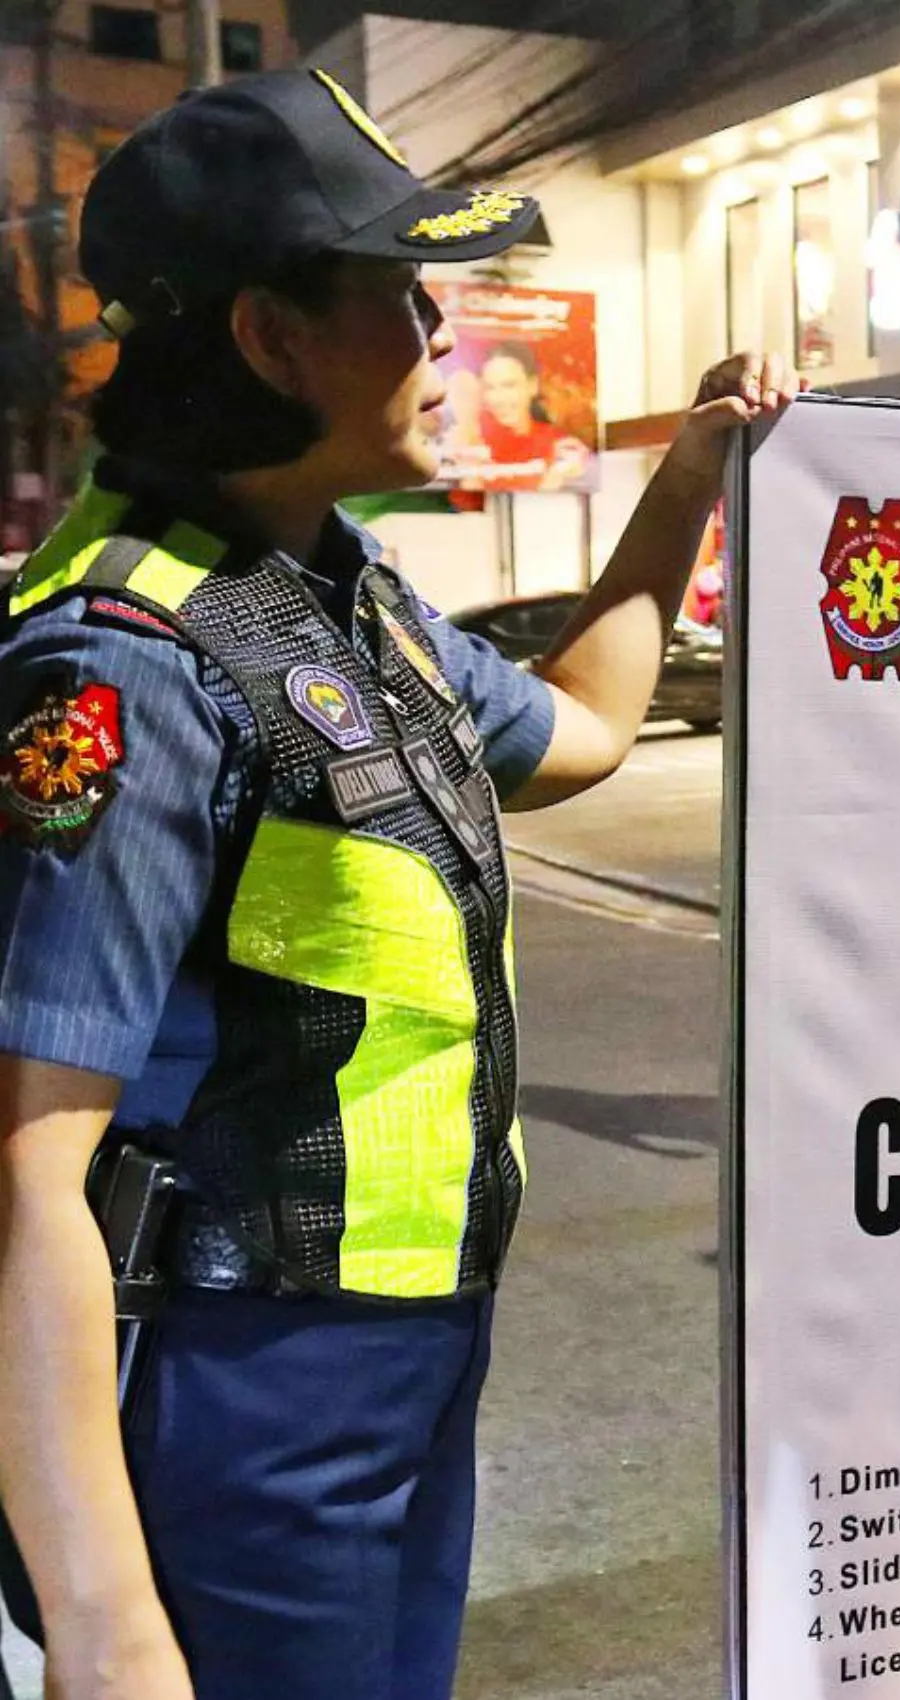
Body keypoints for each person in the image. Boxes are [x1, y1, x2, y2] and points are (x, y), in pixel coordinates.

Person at [0, 69, 797, 1700]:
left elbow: (578, 728)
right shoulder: (126, 658)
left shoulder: (333, 595)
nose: (443, 335)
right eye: (396, 299)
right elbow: (25, 1175)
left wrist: (693, 476)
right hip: (245, 1396)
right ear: (269, 339)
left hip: (401, 1356)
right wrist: (103, 1622)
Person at [445, 342, 591, 491]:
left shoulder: (560, 445)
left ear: (532, 386)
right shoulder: (470, 440)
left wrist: (557, 476)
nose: (499, 398)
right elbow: (466, 506)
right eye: (490, 387)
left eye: (509, 385)